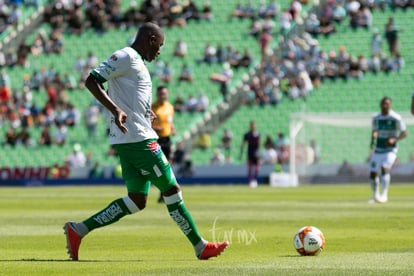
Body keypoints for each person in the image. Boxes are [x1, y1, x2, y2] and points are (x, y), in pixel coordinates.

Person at [63, 22, 228, 261]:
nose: (160, 51)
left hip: (130, 137)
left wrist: (142, 112)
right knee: (171, 189)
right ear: (150, 39)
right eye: (159, 45)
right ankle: (200, 246)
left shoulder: (135, 62)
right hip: (139, 140)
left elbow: (128, 94)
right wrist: (115, 109)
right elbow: (92, 81)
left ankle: (78, 230)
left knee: (137, 200)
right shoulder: (126, 56)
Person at [369, 97, 407, 203]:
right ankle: (375, 195)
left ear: (391, 105)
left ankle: (384, 195)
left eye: (388, 104)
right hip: (378, 148)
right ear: (381, 105)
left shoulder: (396, 118)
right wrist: (373, 139)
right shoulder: (376, 118)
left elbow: (404, 133)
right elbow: (374, 130)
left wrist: (395, 138)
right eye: (384, 104)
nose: (386, 106)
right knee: (372, 173)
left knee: (384, 168)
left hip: (390, 149)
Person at [152, 85, 176, 203]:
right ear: (157, 95)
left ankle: (164, 193)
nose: (163, 96)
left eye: (164, 93)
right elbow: (146, 123)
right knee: (158, 167)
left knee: (167, 167)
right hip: (156, 139)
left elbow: (169, 121)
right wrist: (156, 127)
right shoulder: (152, 107)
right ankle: (162, 191)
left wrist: (172, 128)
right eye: (161, 94)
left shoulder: (170, 107)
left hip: (167, 139)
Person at [240, 121, 260, 188]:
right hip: (250, 152)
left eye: (254, 125)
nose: (253, 126)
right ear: (250, 126)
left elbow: (259, 143)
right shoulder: (247, 134)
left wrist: (259, 152)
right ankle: (250, 180)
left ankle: (255, 180)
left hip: (256, 152)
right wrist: (241, 153)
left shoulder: (258, 134)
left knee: (257, 167)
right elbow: (243, 144)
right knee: (250, 167)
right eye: (251, 125)